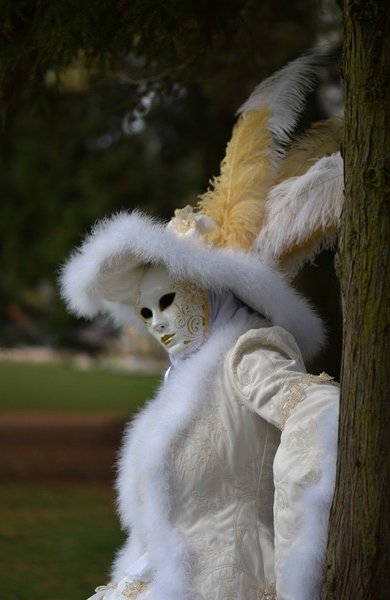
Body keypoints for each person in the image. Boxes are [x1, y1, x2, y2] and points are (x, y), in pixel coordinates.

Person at [60, 50, 342, 600]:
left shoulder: (247, 353)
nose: (159, 323)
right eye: (145, 313)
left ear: (211, 290)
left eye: (168, 301)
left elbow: (319, 415)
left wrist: (293, 571)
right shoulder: (177, 387)